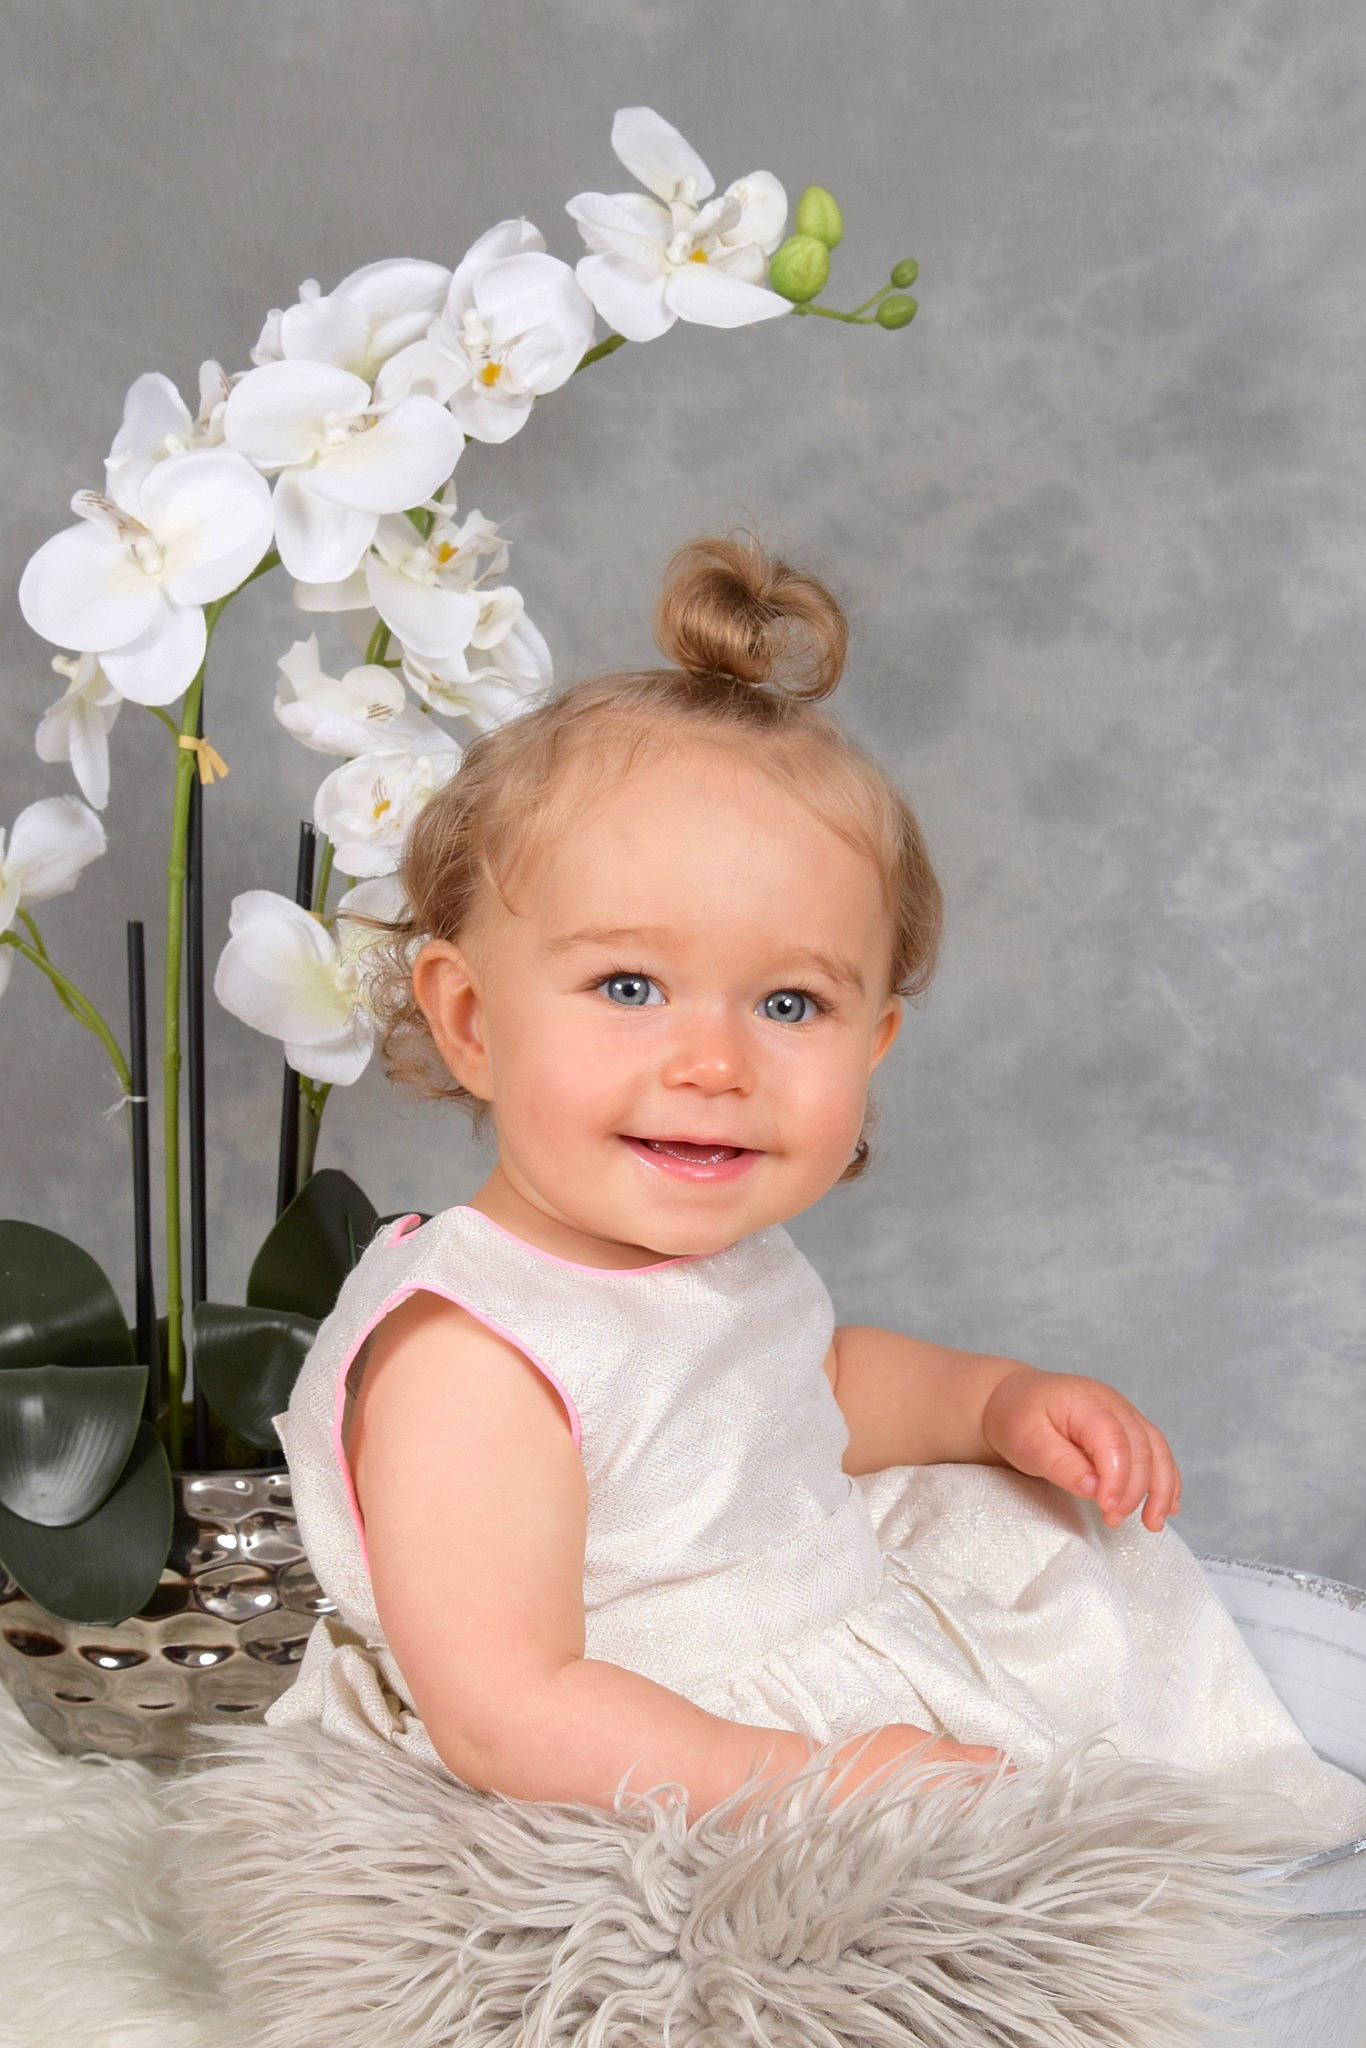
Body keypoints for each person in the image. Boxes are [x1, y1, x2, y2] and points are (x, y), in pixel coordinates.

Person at [265, 530, 1366, 1852]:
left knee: (1125, 1630)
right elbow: (505, 1713)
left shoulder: (702, 1257)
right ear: (470, 1019)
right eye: (629, 986)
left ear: (873, 1042)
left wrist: (995, 1401)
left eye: (789, 1004)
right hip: (635, 1758)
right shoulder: (473, 1357)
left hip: (815, 1626)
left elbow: (808, 1389)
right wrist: (812, 1782)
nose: (714, 1064)